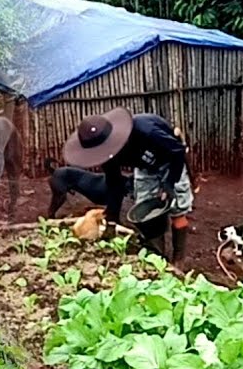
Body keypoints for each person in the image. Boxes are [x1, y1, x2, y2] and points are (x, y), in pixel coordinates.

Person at [62, 108, 193, 262]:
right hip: (145, 168)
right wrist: (112, 217)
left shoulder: (146, 131)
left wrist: (170, 183)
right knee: (146, 214)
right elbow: (114, 182)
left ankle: (179, 261)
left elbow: (177, 151)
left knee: (177, 210)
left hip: (169, 162)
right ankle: (158, 259)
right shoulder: (106, 154)